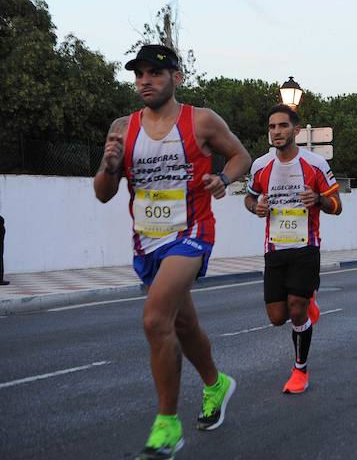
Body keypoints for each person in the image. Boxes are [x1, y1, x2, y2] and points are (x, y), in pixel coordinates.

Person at [94, 44, 250, 460]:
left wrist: (222, 178)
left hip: (191, 234)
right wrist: (109, 168)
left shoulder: (200, 120)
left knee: (154, 319)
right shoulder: (122, 127)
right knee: (183, 327)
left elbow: (241, 156)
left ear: (176, 78)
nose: (145, 81)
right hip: (146, 241)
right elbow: (104, 194)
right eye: (139, 74)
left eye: (155, 73)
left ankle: (167, 425)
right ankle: (216, 384)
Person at [245, 104, 342, 395]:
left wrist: (319, 200)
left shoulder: (315, 165)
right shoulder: (260, 166)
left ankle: (300, 369)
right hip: (274, 249)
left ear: (296, 131)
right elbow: (249, 199)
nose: (276, 132)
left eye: (283, 126)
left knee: (296, 309)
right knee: (277, 317)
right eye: (272, 127)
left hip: (306, 247)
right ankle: (308, 302)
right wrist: (256, 207)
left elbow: (337, 206)